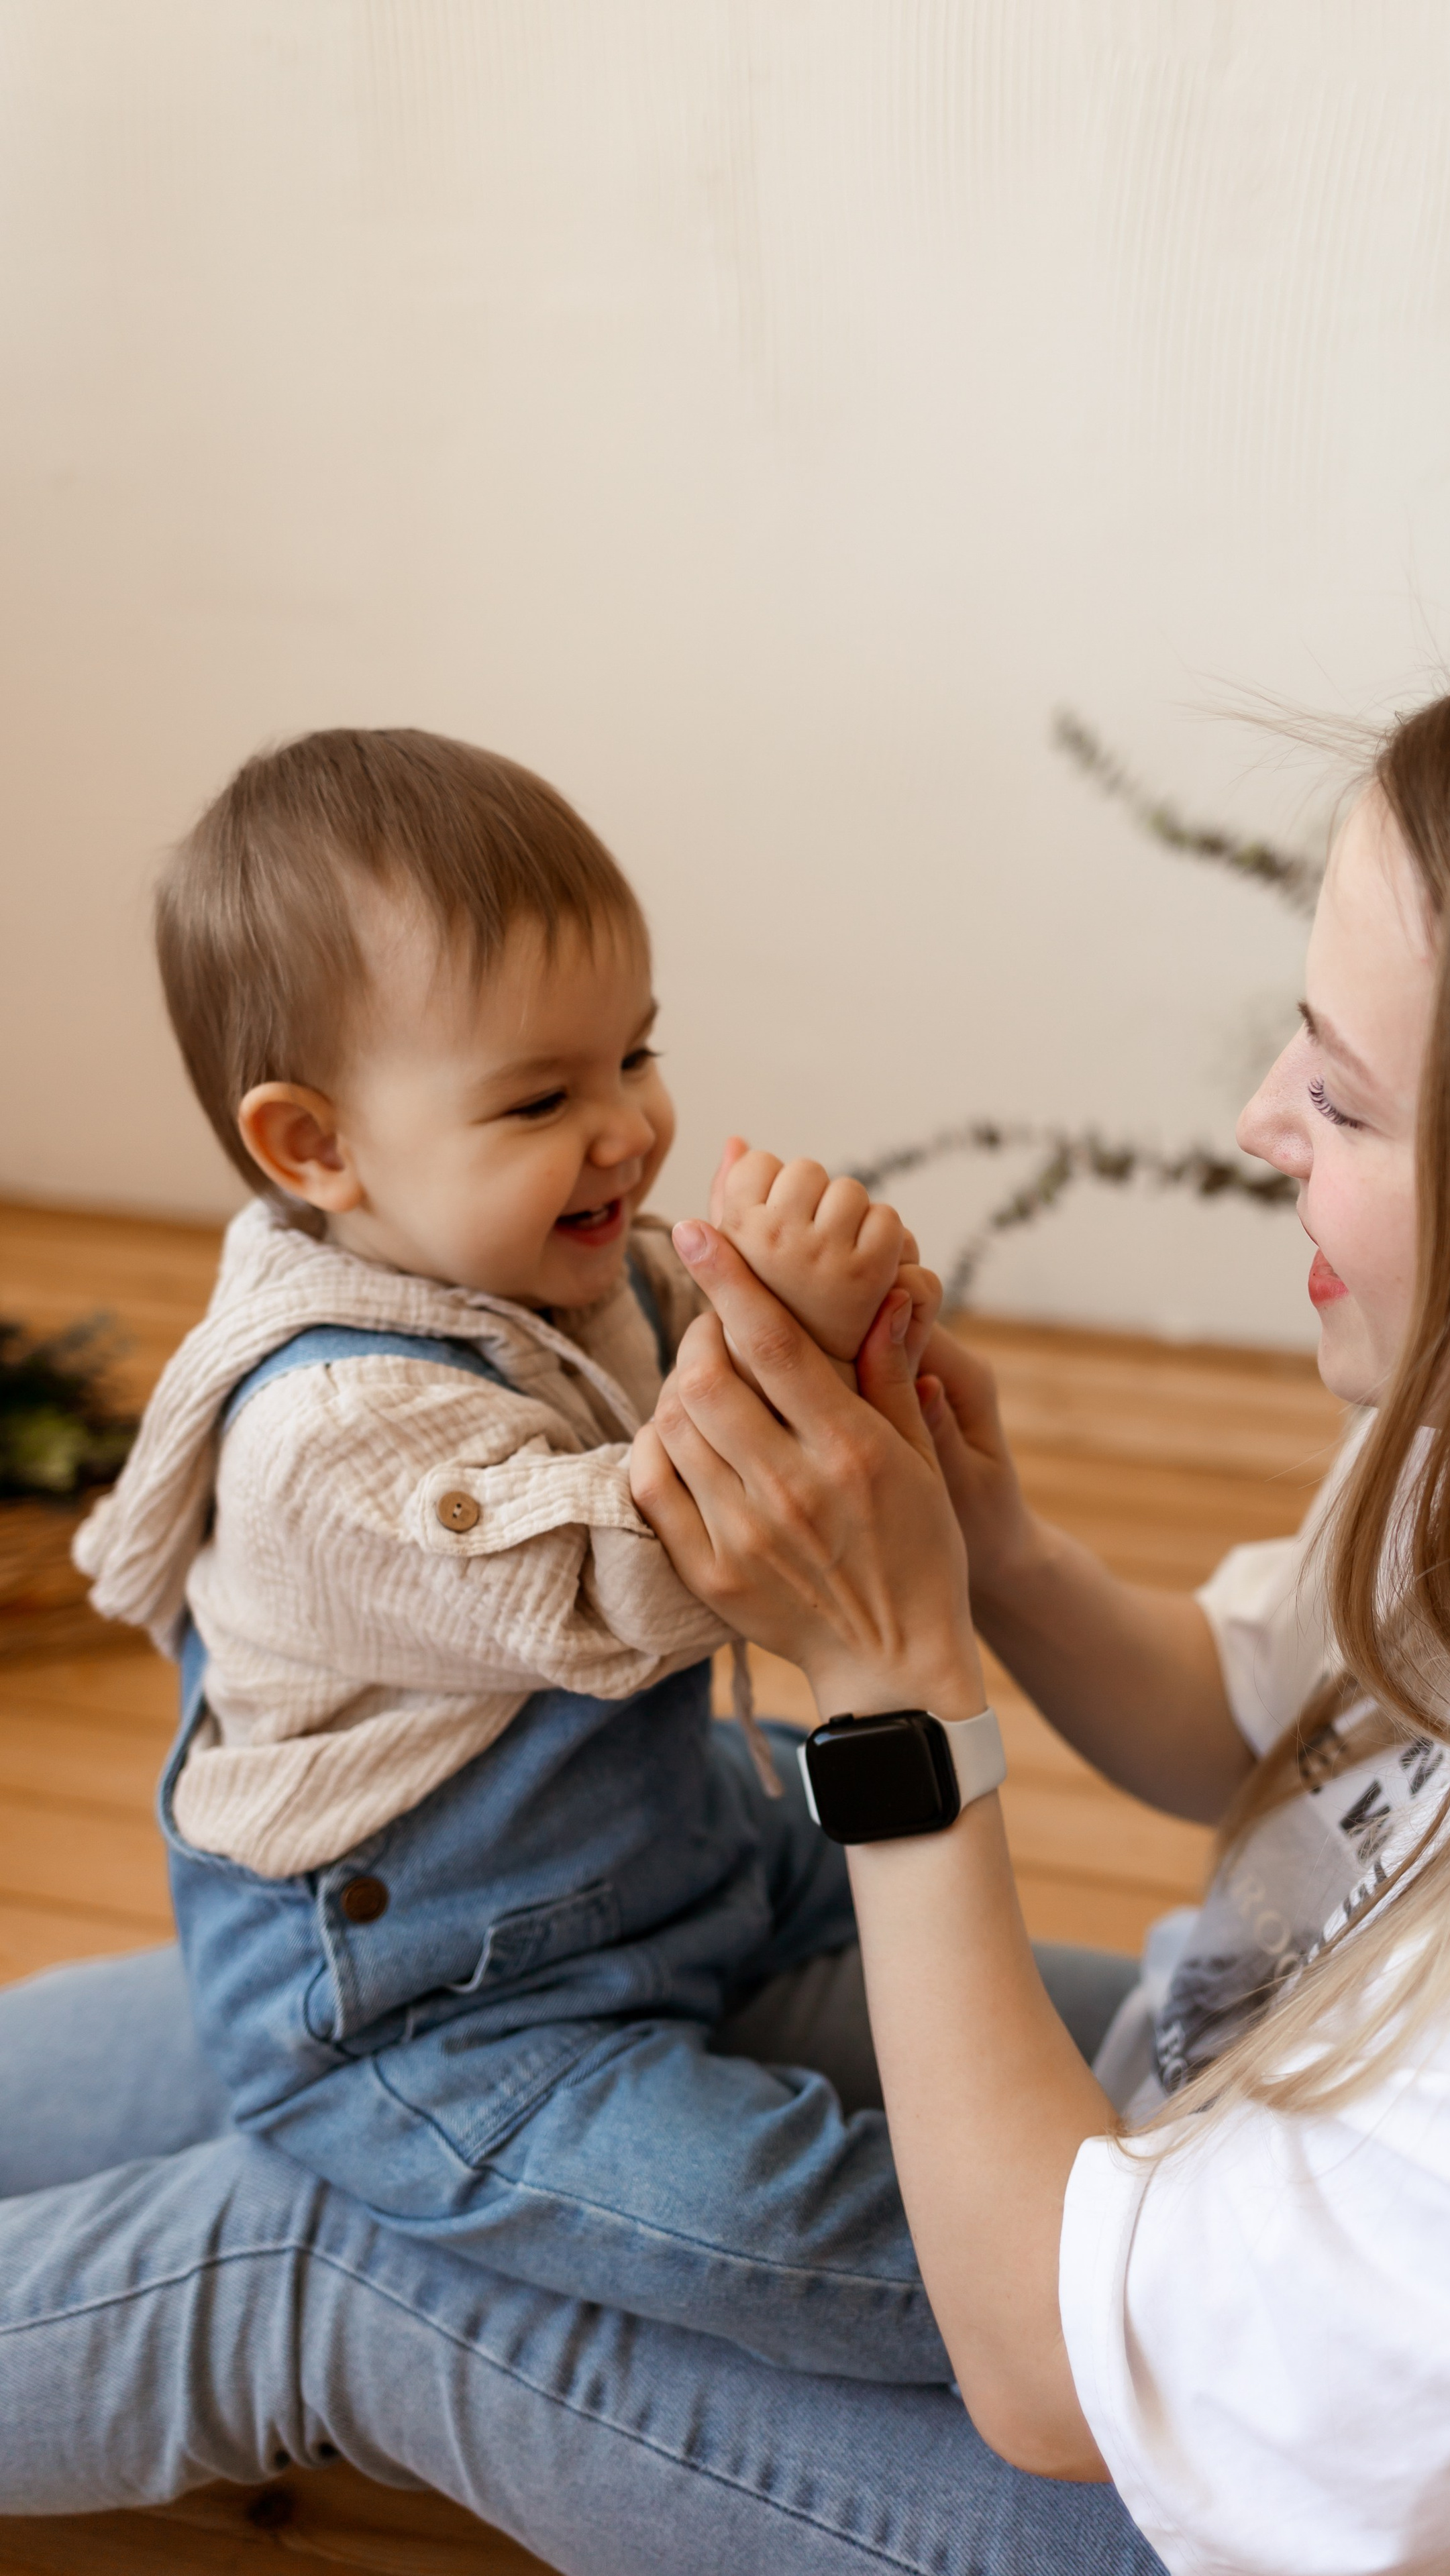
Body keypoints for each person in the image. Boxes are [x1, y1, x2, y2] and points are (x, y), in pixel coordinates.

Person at [6, 625, 1450, 2576]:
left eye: (1336, 1092)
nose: (1255, 1121)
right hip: (657, 1985)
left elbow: (1068, 2370)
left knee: (317, 2238)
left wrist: (891, 1678)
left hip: (1173, 2451)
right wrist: (977, 1543)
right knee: (205, 2076)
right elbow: (1245, 1709)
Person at [69, 721, 969, 2378]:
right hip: (441, 2005)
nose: (629, 1129)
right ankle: (1088, 2314)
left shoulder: (565, 1264)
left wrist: (811, 1325)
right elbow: (622, 1577)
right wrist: (771, 1376)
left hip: (677, 1847)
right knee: (775, 2222)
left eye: (633, 1054)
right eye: (542, 1096)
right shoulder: (330, 1426)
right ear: (313, 1149)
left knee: (961, 1951)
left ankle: (1091, 2133)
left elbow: (725, 1387)